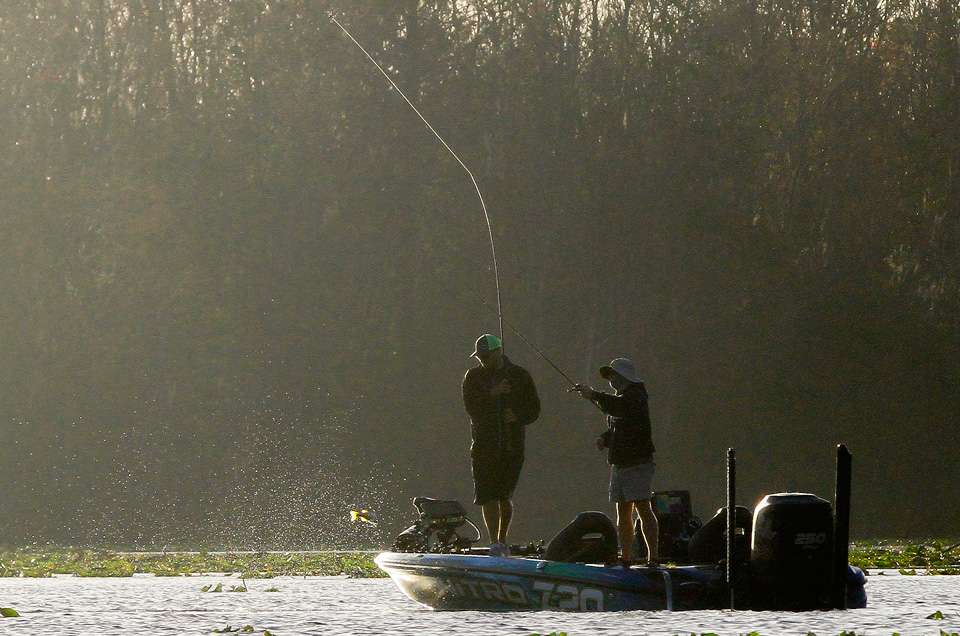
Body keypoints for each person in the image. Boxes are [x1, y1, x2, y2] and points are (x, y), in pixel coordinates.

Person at [573, 357, 658, 565]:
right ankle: (626, 556)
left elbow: (620, 409)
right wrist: (605, 438)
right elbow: (619, 424)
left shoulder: (635, 396)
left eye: (613, 375)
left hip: (637, 463)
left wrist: (593, 394)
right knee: (622, 511)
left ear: (624, 376)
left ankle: (653, 556)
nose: (610, 379)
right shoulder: (621, 398)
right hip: (620, 463)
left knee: (643, 508)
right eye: (609, 376)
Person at [462, 333, 540, 557]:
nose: (482, 360)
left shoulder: (519, 375)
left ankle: (502, 539)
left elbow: (534, 409)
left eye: (486, 356)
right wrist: (492, 393)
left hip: (511, 445)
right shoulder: (473, 377)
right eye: (480, 357)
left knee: (504, 494)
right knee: (487, 495)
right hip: (483, 445)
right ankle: (494, 541)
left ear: (498, 352)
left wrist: (516, 416)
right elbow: (471, 408)